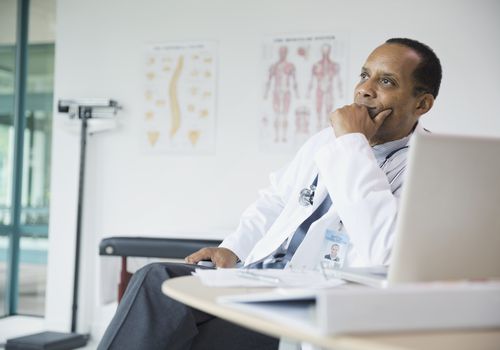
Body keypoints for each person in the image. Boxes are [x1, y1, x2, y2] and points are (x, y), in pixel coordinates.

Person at [97, 38, 442, 350]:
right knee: (156, 281)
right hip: (259, 280)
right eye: (364, 75)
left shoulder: (430, 166)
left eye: (386, 82)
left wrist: (353, 144)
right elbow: (276, 199)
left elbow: (383, 251)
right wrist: (234, 247)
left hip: (308, 307)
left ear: (422, 103)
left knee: (172, 334)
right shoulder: (326, 141)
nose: (365, 90)